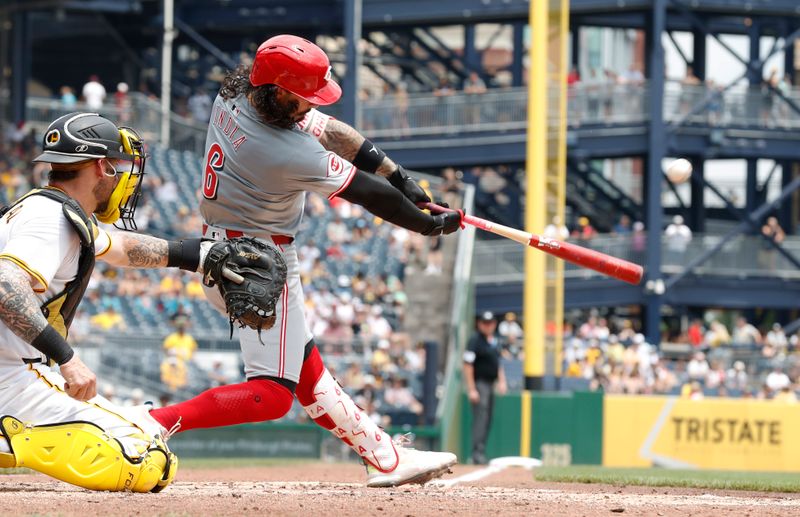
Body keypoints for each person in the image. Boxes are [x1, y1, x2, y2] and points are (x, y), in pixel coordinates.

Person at [146, 34, 461, 488]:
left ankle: (385, 457)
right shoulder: (282, 150)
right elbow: (368, 195)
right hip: (256, 261)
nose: (308, 107)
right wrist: (426, 225)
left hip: (228, 248)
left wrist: (398, 174)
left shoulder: (235, 91)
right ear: (276, 91)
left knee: (307, 369)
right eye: (301, 98)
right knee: (273, 394)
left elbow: (330, 129)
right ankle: (153, 423)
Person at [0, 111, 228, 491]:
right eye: (117, 165)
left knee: (146, 436)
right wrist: (68, 359)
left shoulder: (48, 208)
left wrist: (200, 255)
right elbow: (6, 287)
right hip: (10, 378)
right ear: (99, 167)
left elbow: (122, 246)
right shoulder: (51, 218)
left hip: (12, 373)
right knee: (145, 459)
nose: (122, 176)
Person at [463, 311, 507, 465]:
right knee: (480, 419)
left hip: (491, 383)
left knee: (487, 418)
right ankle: (477, 453)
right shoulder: (475, 340)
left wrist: (502, 381)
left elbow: (498, 363)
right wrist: (471, 389)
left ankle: (481, 451)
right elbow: (468, 365)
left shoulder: (494, 341)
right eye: (485, 323)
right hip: (480, 383)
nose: (488, 326)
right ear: (479, 324)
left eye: (491, 323)